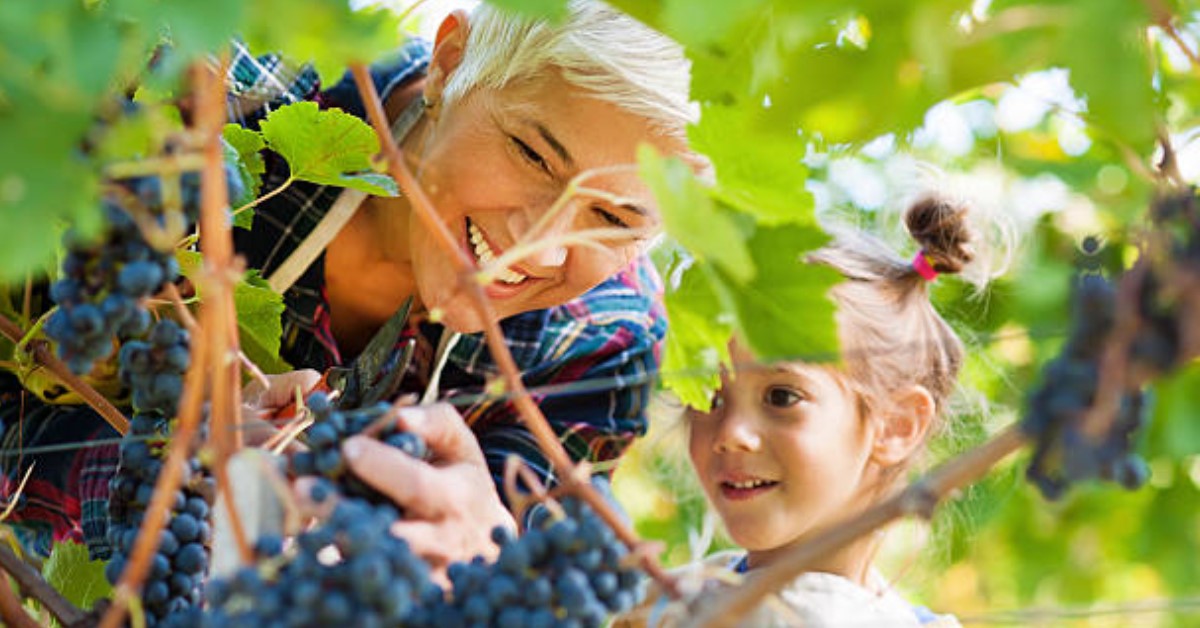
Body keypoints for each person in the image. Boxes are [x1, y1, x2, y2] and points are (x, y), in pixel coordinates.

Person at [0, 0, 701, 564]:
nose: (544, 244)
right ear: (451, 64)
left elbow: (536, 584)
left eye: (612, 216)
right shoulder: (210, 85)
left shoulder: (600, 344)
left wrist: (490, 566)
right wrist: (167, 466)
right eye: (531, 154)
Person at [614, 196, 980, 626]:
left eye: (782, 396)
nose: (731, 432)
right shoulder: (670, 599)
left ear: (897, 425)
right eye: (710, 394)